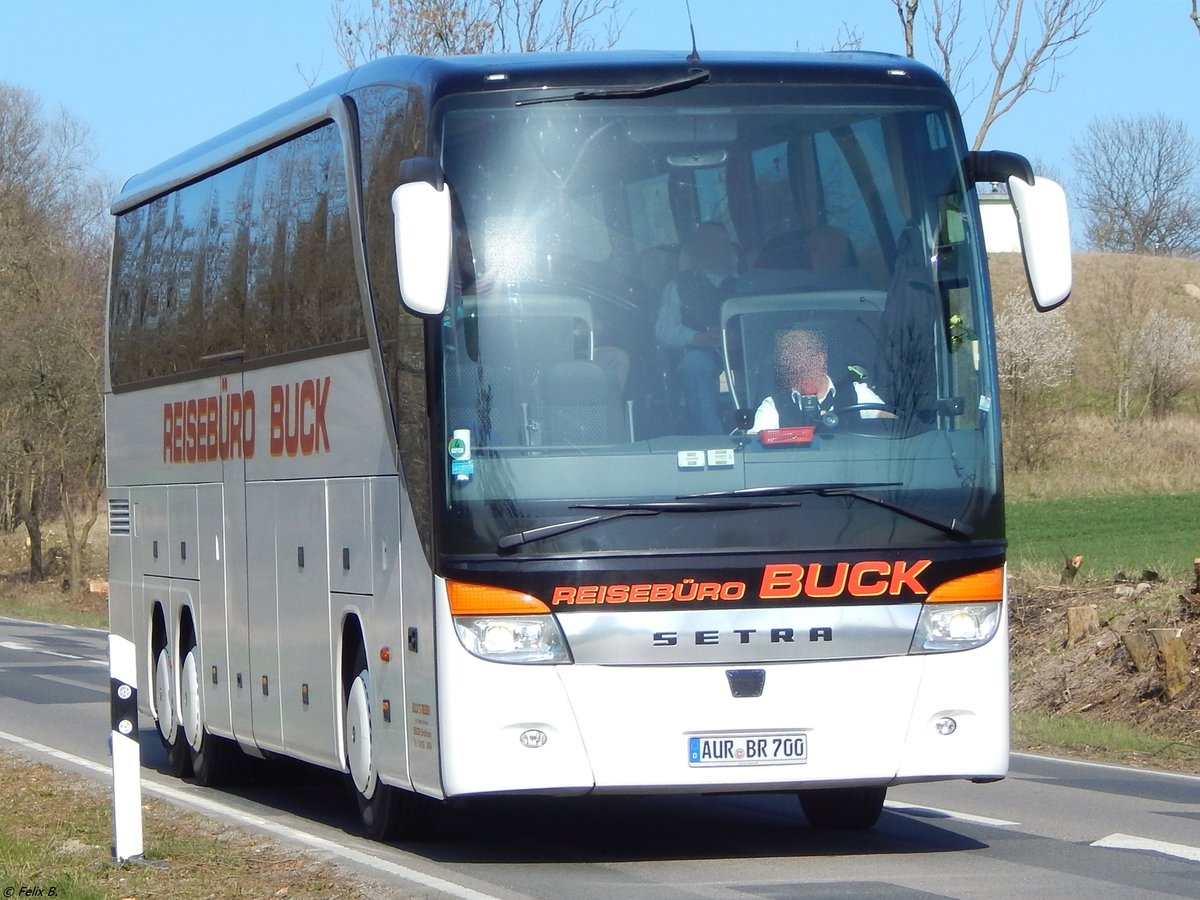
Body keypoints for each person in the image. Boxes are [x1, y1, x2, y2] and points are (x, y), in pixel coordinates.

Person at [655, 222, 738, 433]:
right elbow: (663, 330)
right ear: (696, 250)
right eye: (707, 243)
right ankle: (713, 440)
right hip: (702, 353)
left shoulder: (748, 283)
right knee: (695, 364)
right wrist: (696, 337)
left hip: (745, 357)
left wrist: (738, 337)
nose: (715, 249)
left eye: (720, 243)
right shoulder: (678, 285)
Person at [749, 329, 891, 433]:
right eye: (790, 359)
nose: (797, 365)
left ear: (820, 359)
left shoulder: (857, 393)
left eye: (803, 357)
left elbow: (893, 426)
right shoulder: (774, 405)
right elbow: (753, 445)